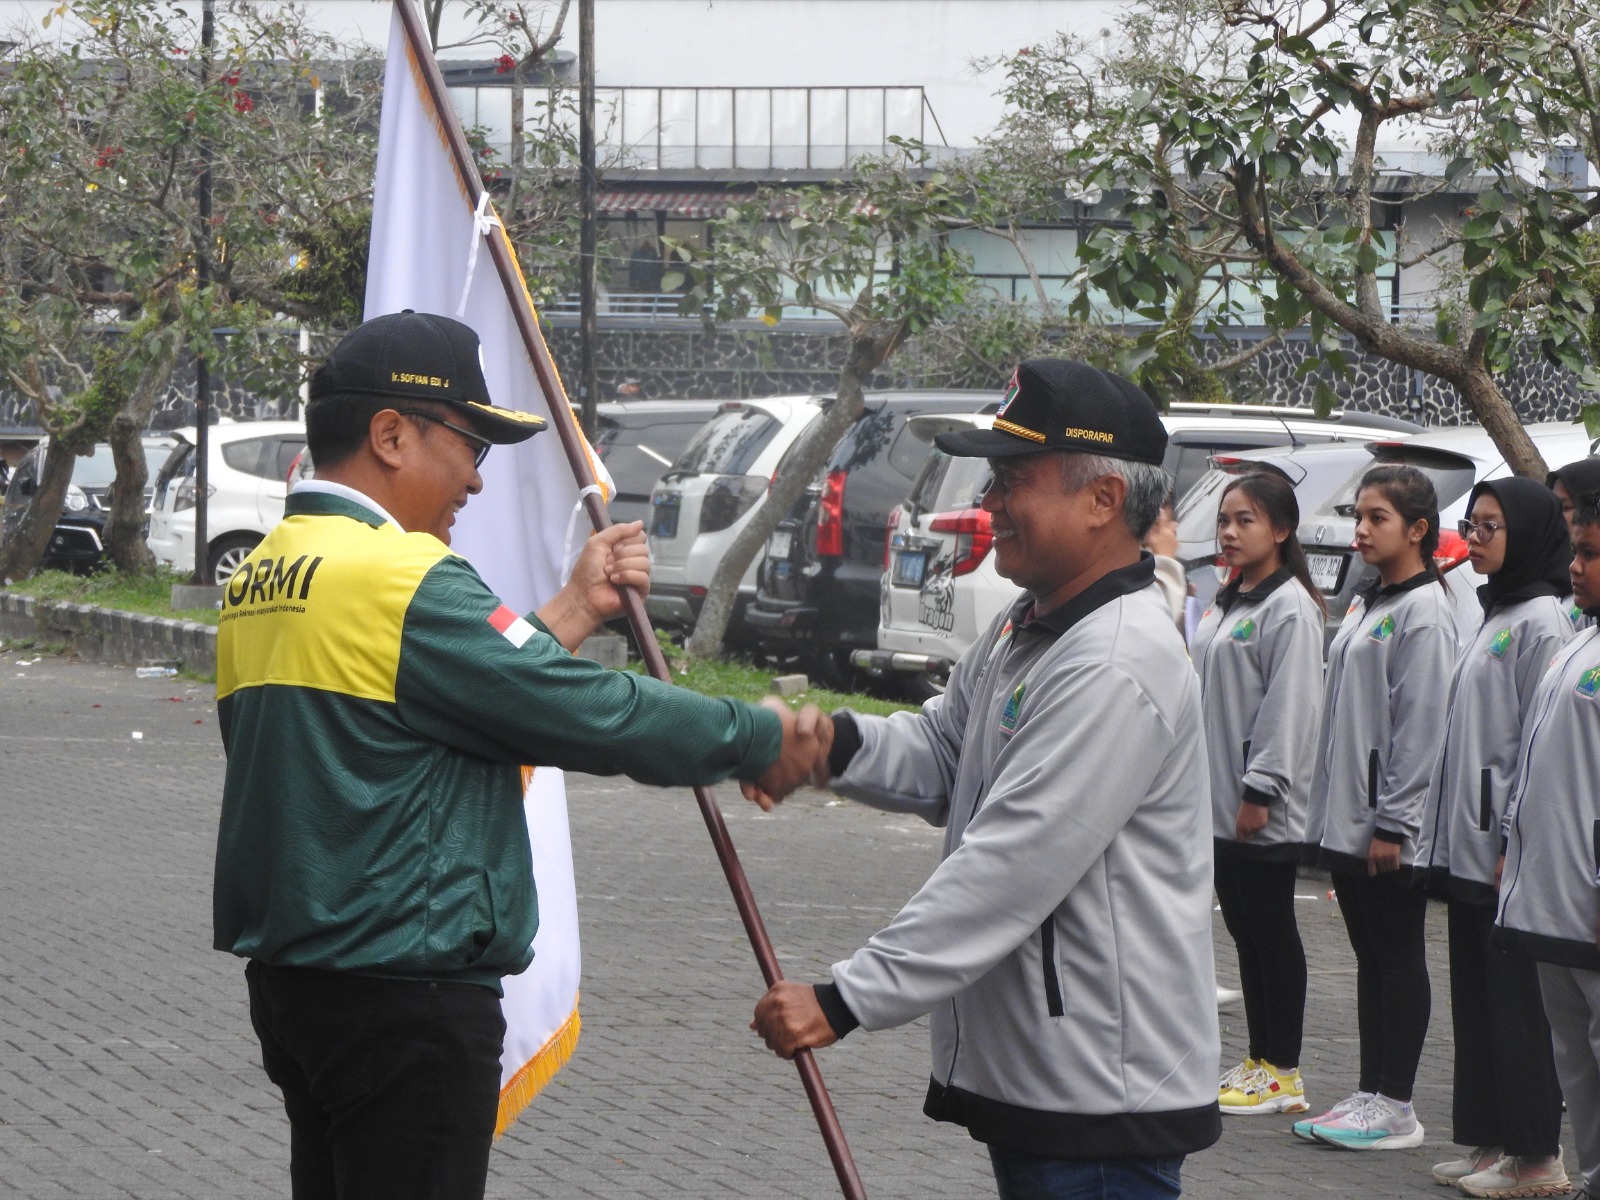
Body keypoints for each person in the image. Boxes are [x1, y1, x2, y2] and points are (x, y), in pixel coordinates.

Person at [211, 311, 815, 1200]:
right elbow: (589, 712)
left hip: (305, 989)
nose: (478, 482)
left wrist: (574, 608)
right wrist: (758, 736)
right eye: (470, 445)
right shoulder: (402, 576)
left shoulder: (267, 573)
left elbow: (442, 709)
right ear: (390, 435)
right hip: (405, 995)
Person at [749, 359, 1222, 1200]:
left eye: (1013, 481)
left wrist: (846, 998)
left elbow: (1014, 860)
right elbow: (943, 749)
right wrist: (828, 745)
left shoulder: (1116, 659)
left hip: (1099, 1097)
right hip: (1046, 1079)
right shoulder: (1030, 625)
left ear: (1103, 499)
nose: (990, 503)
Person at [1415, 478, 1575, 1196]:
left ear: (1531, 534)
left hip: (1503, 849)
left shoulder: (1542, 620)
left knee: (1515, 1008)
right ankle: (1492, 1143)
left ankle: (1536, 1156)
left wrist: (1512, 831)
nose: (1472, 540)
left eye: (1489, 528)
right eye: (1469, 525)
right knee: (1478, 1000)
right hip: (1468, 846)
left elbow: (1539, 744)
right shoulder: (1496, 610)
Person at [1297, 465, 1458, 1151]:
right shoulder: (1372, 602)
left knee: (1396, 954)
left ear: (1417, 530)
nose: (1360, 530)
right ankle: (1369, 1091)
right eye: (1358, 515)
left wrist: (1396, 821)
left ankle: (1396, 1103)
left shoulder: (1426, 612)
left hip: (1387, 825)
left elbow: (1420, 728)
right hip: (1349, 818)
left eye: (1377, 519)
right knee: (1370, 956)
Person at [1192, 471, 1325, 1116]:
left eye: (1245, 520)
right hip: (1214, 801)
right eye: (1224, 520)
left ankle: (1284, 1067)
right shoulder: (1231, 599)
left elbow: (1289, 706)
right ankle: (1259, 1057)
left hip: (1256, 805)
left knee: (1272, 930)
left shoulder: (1289, 607)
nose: (1230, 531)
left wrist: (1261, 788)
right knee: (1245, 932)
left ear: (1280, 530)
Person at [1496, 492, 1600, 1200]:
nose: (1576, 567)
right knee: (1577, 1061)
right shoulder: (1581, 638)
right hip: (1551, 897)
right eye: (1576, 552)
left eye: (1591, 555)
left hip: (1589, 897)